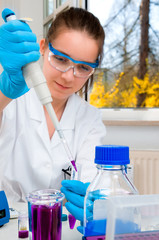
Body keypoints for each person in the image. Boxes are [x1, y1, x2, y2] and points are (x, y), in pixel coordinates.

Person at [0, 7, 106, 229]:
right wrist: (2, 95)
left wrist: (94, 196)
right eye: (60, 58)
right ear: (42, 47)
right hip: (8, 226)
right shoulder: (11, 101)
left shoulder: (90, 118)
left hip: (60, 227)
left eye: (83, 67)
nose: (68, 76)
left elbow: (93, 182)